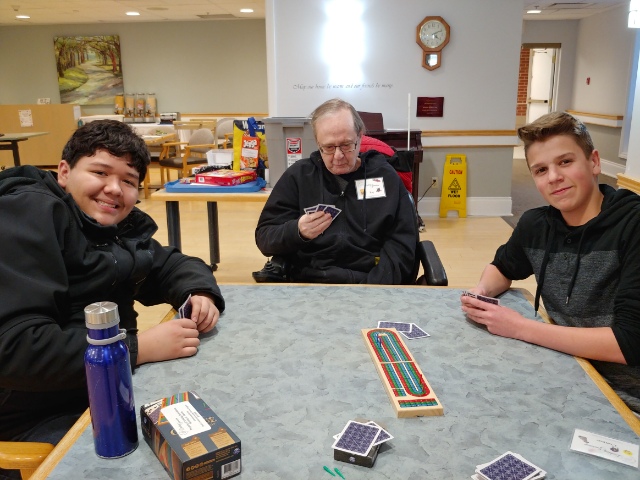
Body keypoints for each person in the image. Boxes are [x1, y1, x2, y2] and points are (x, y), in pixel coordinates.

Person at [0, 120, 225, 449]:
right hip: (36, 415)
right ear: (64, 172)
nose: (115, 189)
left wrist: (199, 292)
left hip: (106, 385)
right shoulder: (27, 215)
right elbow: (16, 349)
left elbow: (170, 264)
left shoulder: (111, 228)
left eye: (128, 181)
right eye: (100, 172)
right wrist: (136, 349)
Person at [460, 112, 640, 413]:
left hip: (626, 401)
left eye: (565, 162)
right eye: (541, 170)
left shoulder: (633, 225)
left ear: (594, 162)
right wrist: (482, 291)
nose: (554, 177)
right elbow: (502, 267)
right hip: (567, 374)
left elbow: (629, 342)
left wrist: (520, 327)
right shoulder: (535, 224)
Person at [254, 98, 418, 284]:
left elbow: (403, 245)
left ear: (360, 137)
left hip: (371, 283)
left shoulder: (385, 177)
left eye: (346, 145)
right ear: (318, 143)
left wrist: (374, 286)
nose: (338, 156)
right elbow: (265, 238)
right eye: (329, 147)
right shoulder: (299, 177)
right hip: (310, 283)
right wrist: (297, 231)